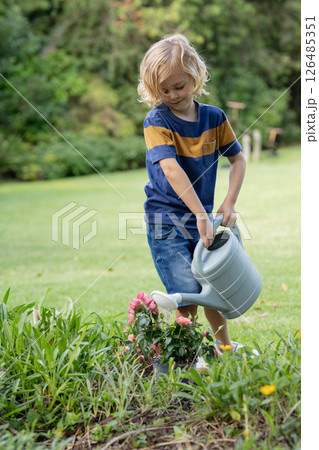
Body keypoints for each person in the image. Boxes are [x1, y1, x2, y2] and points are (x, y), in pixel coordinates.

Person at [137, 34, 246, 352]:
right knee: (186, 293)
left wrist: (229, 201)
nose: (172, 95)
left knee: (211, 285)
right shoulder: (156, 121)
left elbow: (237, 159)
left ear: (195, 76)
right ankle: (189, 354)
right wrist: (201, 213)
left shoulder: (214, 118)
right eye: (164, 90)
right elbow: (171, 170)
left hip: (203, 218)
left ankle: (223, 346)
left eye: (179, 86)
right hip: (166, 222)